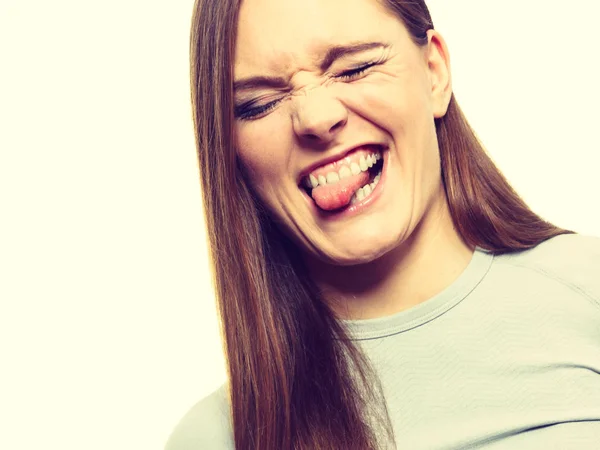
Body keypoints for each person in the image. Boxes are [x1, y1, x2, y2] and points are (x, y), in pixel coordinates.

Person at [166, 0, 600, 448]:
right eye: (259, 104)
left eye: (355, 68)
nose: (316, 118)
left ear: (433, 72)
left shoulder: (588, 291)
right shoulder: (215, 438)